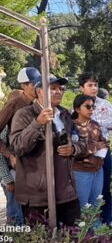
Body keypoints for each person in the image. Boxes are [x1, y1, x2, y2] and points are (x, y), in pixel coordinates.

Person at [10, 76, 86, 226]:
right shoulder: (24, 115)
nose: (58, 92)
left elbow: (82, 143)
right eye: (53, 88)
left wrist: (73, 149)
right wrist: (37, 124)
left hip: (67, 192)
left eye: (61, 89)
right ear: (39, 91)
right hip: (38, 196)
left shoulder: (65, 114)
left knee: (74, 239)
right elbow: (17, 147)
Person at [0, 67, 40, 225]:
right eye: (33, 84)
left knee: (30, 211)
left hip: (35, 166)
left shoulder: (39, 104)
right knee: (16, 211)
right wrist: (9, 154)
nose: (37, 87)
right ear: (24, 86)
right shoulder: (13, 104)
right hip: (16, 168)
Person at [79, 72, 112, 225]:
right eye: (90, 85)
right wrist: (100, 124)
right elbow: (76, 125)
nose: (94, 88)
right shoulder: (77, 105)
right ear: (82, 88)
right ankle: (88, 224)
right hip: (84, 153)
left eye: (95, 85)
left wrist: (94, 123)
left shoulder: (105, 104)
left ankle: (106, 221)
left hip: (103, 151)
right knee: (87, 189)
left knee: (105, 187)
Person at [71, 94, 108, 208]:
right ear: (77, 109)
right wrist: (96, 146)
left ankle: (96, 226)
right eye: (88, 106)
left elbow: (102, 141)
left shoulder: (94, 124)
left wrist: (105, 144)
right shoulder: (72, 127)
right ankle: (83, 227)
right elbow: (74, 150)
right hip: (81, 171)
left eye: (93, 106)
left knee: (96, 206)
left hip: (97, 170)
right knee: (83, 206)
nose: (91, 109)